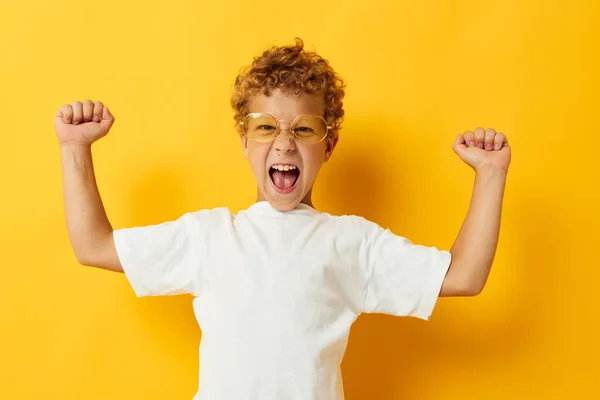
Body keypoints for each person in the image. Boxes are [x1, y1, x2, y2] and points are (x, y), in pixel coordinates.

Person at [54, 38, 511, 400]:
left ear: (327, 146)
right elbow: (92, 245)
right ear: (245, 141)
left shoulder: (350, 243)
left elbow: (465, 275)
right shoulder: (210, 237)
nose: (285, 144)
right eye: (266, 126)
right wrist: (74, 148)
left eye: (304, 129)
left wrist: (490, 174)